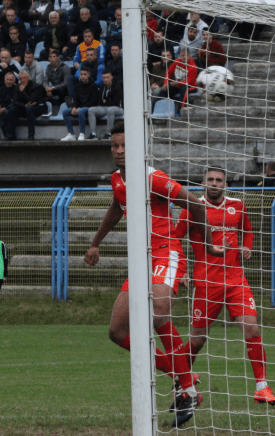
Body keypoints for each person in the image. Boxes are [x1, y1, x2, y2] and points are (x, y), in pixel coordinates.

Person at [85, 125, 219, 427]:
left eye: (124, 145)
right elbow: (117, 208)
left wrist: (209, 243)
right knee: (117, 331)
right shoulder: (117, 180)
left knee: (158, 313)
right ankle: (184, 375)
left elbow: (195, 203)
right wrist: (95, 243)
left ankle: (188, 389)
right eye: (114, 146)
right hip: (139, 262)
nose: (119, 151)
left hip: (165, 253)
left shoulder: (153, 178)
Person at [173, 168, 275, 406]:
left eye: (219, 180)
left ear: (225, 184)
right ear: (202, 183)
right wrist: (181, 271)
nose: (214, 183)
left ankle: (262, 387)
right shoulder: (192, 208)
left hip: (235, 280)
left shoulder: (238, 206)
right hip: (206, 282)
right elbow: (174, 238)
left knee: (251, 328)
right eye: (210, 180)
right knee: (198, 340)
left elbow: (248, 231)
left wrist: (247, 246)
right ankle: (181, 379)